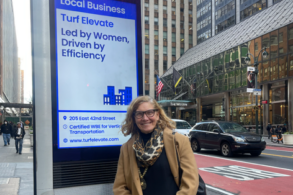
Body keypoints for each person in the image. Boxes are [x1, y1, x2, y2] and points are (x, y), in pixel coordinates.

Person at [113, 96, 199, 195]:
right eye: (139, 114)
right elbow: (119, 188)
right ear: (133, 118)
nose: (145, 118)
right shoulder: (126, 148)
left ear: (157, 114)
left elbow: (190, 184)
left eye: (150, 112)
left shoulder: (179, 141)